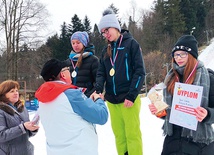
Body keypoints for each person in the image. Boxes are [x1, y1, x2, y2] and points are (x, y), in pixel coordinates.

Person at [148, 35, 214, 155]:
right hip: (173, 142)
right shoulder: (171, 78)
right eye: (176, 54)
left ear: (192, 55)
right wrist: (161, 111)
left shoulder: (208, 78)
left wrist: (207, 114)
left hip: (199, 143)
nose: (179, 58)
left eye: (183, 54)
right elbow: (171, 113)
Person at [96, 8, 146, 155]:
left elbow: (139, 71)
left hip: (128, 99)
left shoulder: (131, 44)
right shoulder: (106, 50)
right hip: (112, 100)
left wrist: (132, 95)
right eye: (103, 32)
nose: (106, 34)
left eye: (107, 30)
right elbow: (101, 73)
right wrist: (99, 89)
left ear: (116, 26)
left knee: (132, 135)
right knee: (119, 136)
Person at [35, 58, 108, 155]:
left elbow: (68, 114)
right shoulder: (72, 95)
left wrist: (88, 102)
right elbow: (101, 116)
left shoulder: (42, 98)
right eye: (68, 70)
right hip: (79, 150)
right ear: (63, 75)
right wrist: (99, 100)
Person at [0, 80, 39, 155]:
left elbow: (26, 134)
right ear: (3, 94)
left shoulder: (22, 109)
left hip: (26, 151)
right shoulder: (1, 111)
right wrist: (22, 127)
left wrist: (32, 129)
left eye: (17, 90)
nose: (16, 93)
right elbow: (1, 135)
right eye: (12, 91)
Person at [64, 31, 99, 97]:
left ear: (84, 43)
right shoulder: (69, 61)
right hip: (72, 99)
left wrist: (88, 96)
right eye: (73, 43)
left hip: (87, 99)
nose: (75, 45)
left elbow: (99, 82)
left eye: (78, 42)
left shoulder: (93, 60)